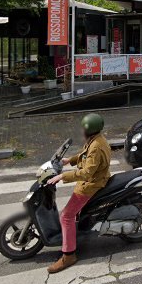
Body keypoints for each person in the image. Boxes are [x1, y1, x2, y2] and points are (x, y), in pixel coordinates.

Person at [45, 113, 111, 273]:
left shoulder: (96, 146)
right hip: (95, 179)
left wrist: (63, 175)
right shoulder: (97, 139)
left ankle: (68, 256)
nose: (81, 130)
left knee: (66, 216)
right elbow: (85, 156)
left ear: (89, 130)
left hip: (91, 184)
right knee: (71, 214)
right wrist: (70, 160)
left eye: (83, 128)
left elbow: (88, 172)